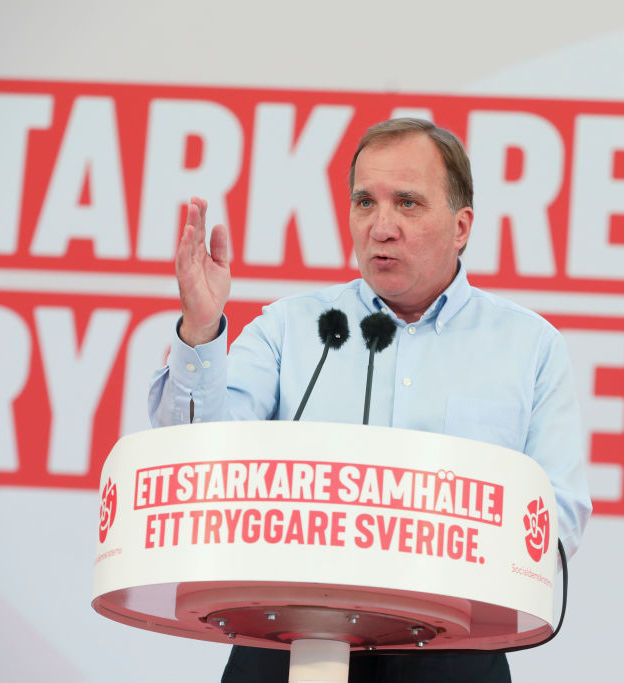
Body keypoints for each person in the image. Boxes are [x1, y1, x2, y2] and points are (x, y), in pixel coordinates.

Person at [149, 118, 593, 682]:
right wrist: (202, 326)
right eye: (365, 202)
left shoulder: (528, 346)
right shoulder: (292, 327)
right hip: (285, 641)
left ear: (461, 226)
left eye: (407, 203)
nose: (381, 227)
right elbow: (194, 458)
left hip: (449, 650)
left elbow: (557, 513)